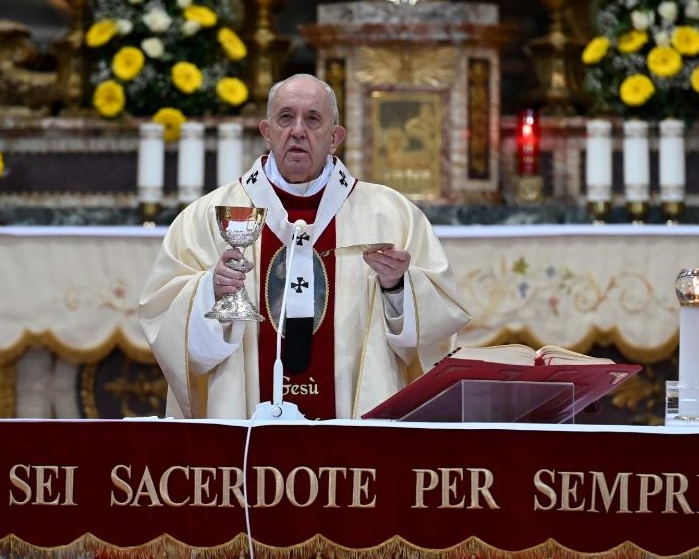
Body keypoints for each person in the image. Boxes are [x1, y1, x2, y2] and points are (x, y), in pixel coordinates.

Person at [139, 73, 470, 420]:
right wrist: (212, 291)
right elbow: (163, 317)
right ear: (267, 132)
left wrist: (398, 287)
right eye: (286, 118)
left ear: (335, 137)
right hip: (246, 428)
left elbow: (438, 332)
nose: (298, 130)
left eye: (313, 119)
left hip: (354, 433)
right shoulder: (208, 216)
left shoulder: (391, 215)